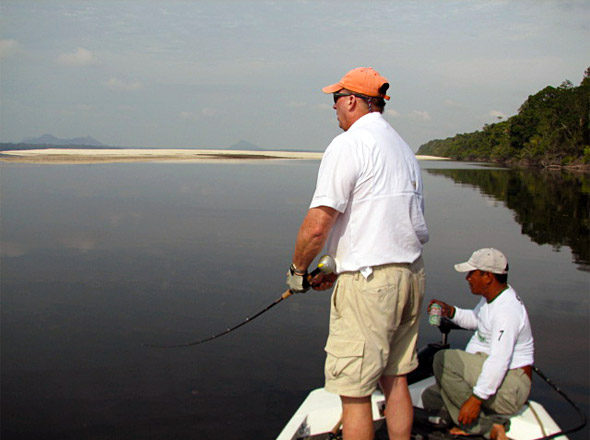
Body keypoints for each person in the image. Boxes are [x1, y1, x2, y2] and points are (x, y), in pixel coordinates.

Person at [286, 67, 429, 440]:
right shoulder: (402, 149)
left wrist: (298, 271)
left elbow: (319, 223)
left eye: (336, 99)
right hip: (410, 275)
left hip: (370, 285)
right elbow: (388, 222)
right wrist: (337, 265)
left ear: (352, 100)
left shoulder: (349, 144)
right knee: (396, 378)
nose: (333, 108)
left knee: (355, 391)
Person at [423, 248, 534, 440]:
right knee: (430, 398)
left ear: (488, 276)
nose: (467, 278)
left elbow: (499, 361)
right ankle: (486, 418)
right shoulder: (491, 299)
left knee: (443, 360)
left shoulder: (507, 312)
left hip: (511, 386)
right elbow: (477, 320)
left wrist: (475, 399)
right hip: (495, 378)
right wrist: (450, 311)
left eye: (471, 273)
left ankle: (485, 427)